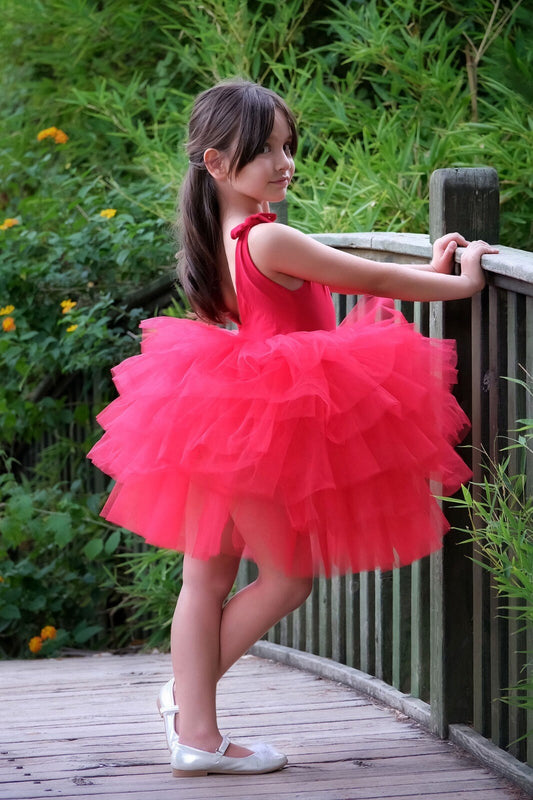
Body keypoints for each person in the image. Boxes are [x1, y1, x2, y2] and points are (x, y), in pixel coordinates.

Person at [87, 79, 498, 778]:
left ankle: (194, 723)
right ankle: (194, 723)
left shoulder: (218, 233)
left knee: (204, 580)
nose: (284, 163)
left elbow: (347, 277)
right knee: (285, 578)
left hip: (219, 412)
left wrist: (425, 268)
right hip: (265, 418)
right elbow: (367, 279)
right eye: (265, 151)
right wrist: (455, 283)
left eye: (288, 147)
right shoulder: (268, 236)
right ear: (216, 163)